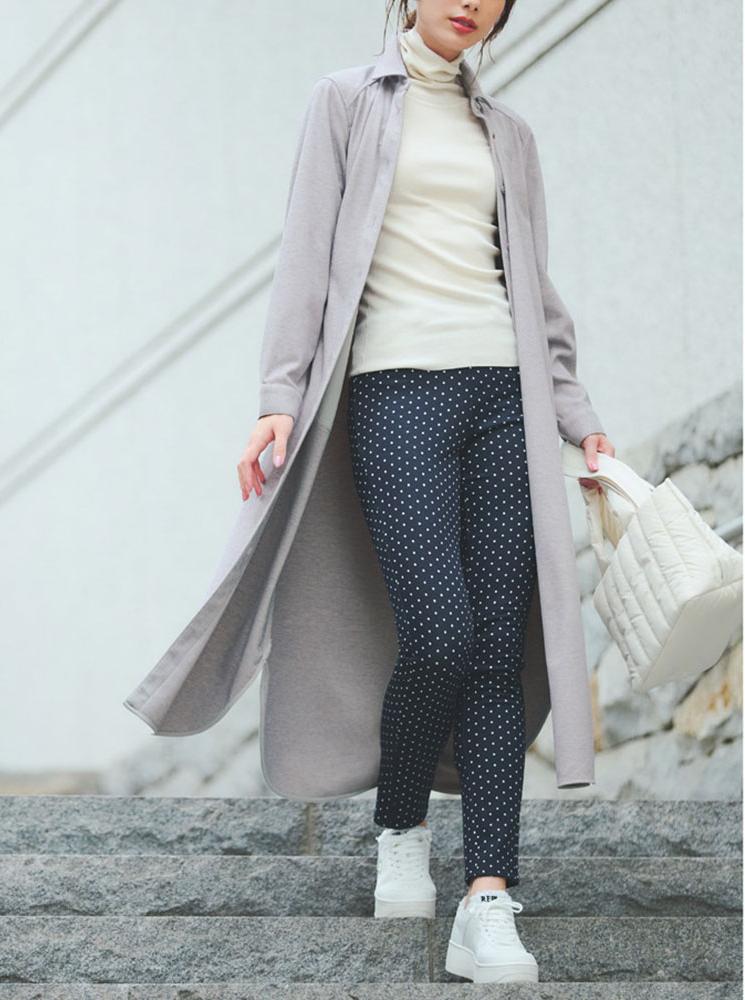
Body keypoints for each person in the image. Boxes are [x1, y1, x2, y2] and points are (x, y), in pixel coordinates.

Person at [235, 0, 615, 985]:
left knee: (493, 647)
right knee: (439, 631)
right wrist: (278, 398)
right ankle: (400, 823)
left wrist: (576, 415)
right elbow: (305, 259)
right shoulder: (345, 102)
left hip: (504, 397)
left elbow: (534, 288)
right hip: (394, 390)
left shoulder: (508, 134)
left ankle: (487, 897)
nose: (472, 0)